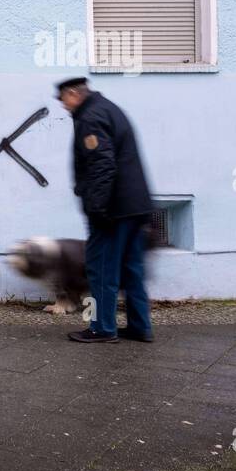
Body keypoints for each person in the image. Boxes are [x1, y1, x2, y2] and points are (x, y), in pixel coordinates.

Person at [55, 77, 154, 343]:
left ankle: (101, 327)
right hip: (135, 205)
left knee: (100, 268)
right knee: (131, 269)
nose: (63, 107)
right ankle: (140, 326)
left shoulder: (90, 117)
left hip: (113, 209)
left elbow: (102, 165)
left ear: (74, 94)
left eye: (63, 100)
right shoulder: (109, 108)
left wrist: (97, 207)